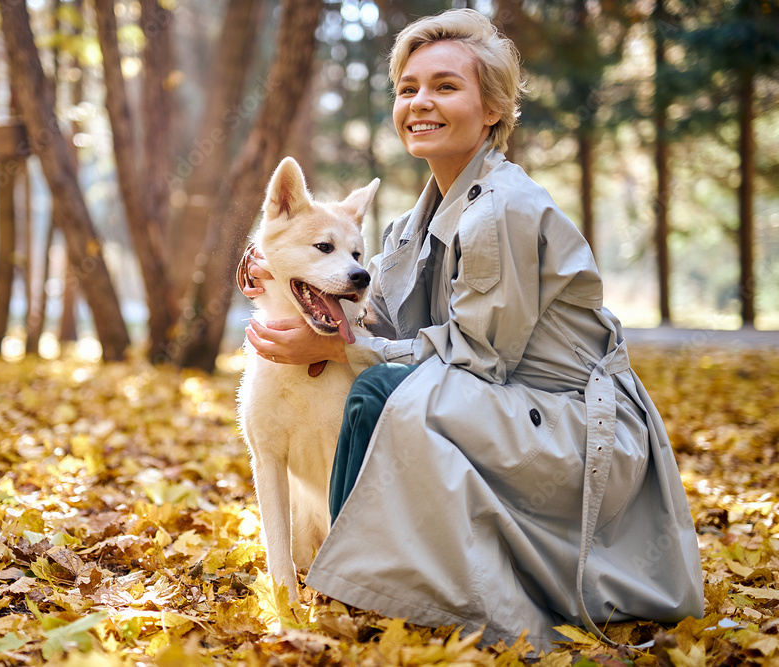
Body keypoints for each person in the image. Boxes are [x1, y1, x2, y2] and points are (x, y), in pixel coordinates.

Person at [240, 8, 703, 651]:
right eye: (408, 89)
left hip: (571, 427)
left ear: (491, 109)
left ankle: (358, 586)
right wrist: (270, 270)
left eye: (445, 86)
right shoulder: (414, 223)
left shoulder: (505, 209)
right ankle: (370, 575)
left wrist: (335, 345)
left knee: (378, 392)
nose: (420, 102)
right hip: (506, 411)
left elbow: (477, 358)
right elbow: (372, 314)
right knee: (376, 381)